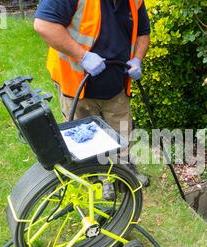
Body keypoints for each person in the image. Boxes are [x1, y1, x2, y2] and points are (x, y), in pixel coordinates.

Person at [34, 0, 151, 186]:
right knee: (86, 139)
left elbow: (143, 32)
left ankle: (124, 171)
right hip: (77, 84)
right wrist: (82, 56)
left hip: (116, 83)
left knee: (121, 132)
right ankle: (98, 181)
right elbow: (44, 25)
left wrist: (137, 59)